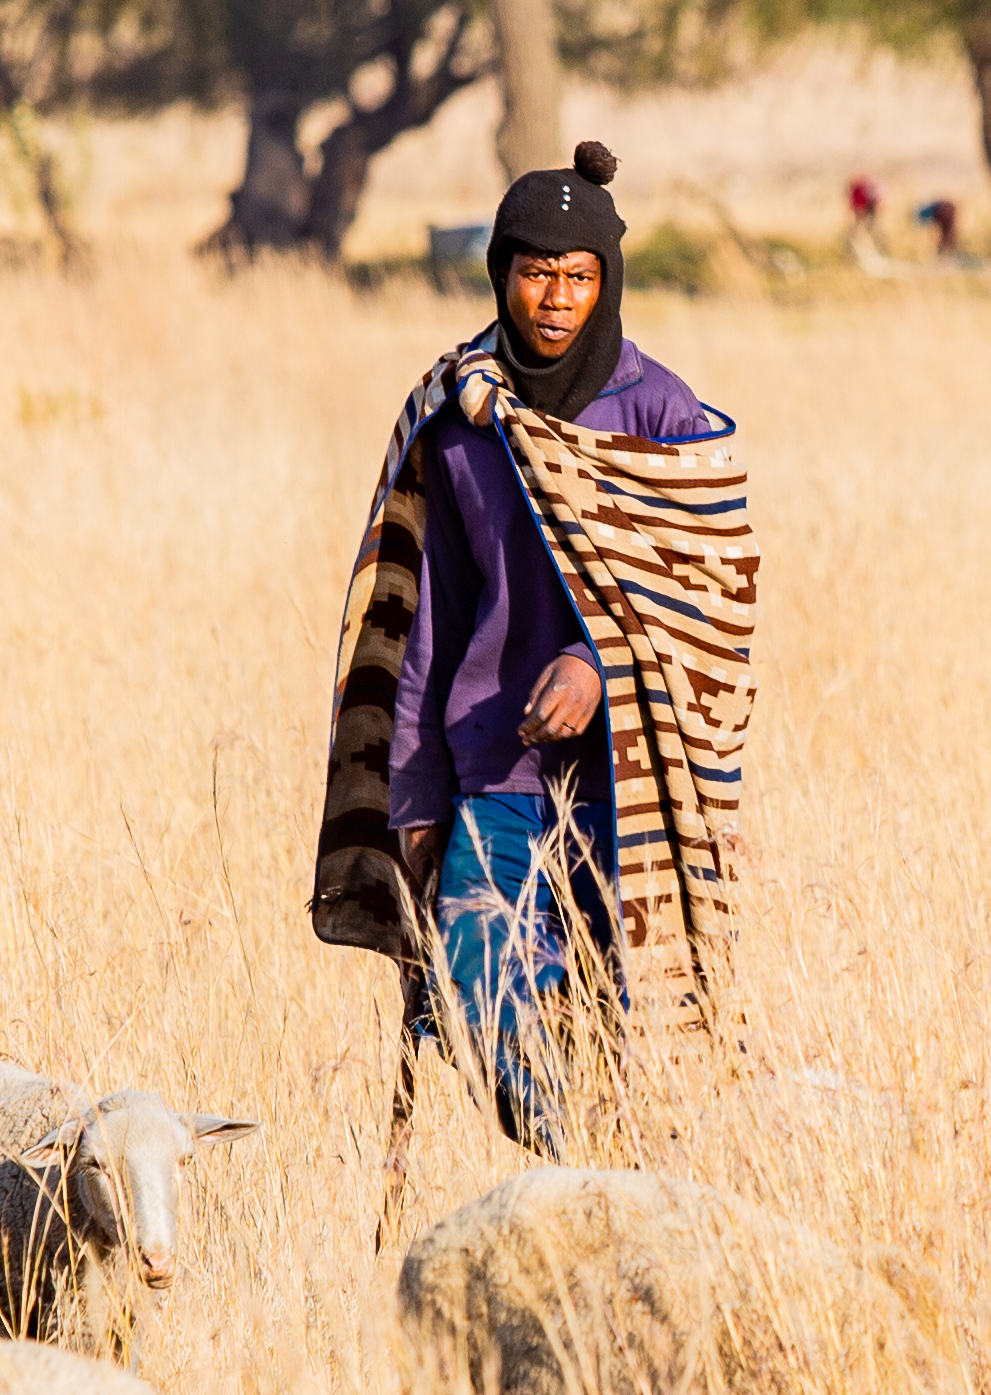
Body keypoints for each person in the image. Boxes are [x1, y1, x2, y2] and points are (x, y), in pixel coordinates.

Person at [310, 142, 756, 1172]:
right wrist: (416, 797)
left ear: (607, 283)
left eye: (577, 276)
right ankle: (573, 1158)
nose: (555, 298)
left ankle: (617, 1180)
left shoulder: (660, 413)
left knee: (633, 1008)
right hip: (493, 768)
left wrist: (597, 666)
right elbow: (427, 613)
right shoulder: (463, 415)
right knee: (478, 980)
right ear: (501, 273)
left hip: (633, 782)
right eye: (535, 272)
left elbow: (710, 599)